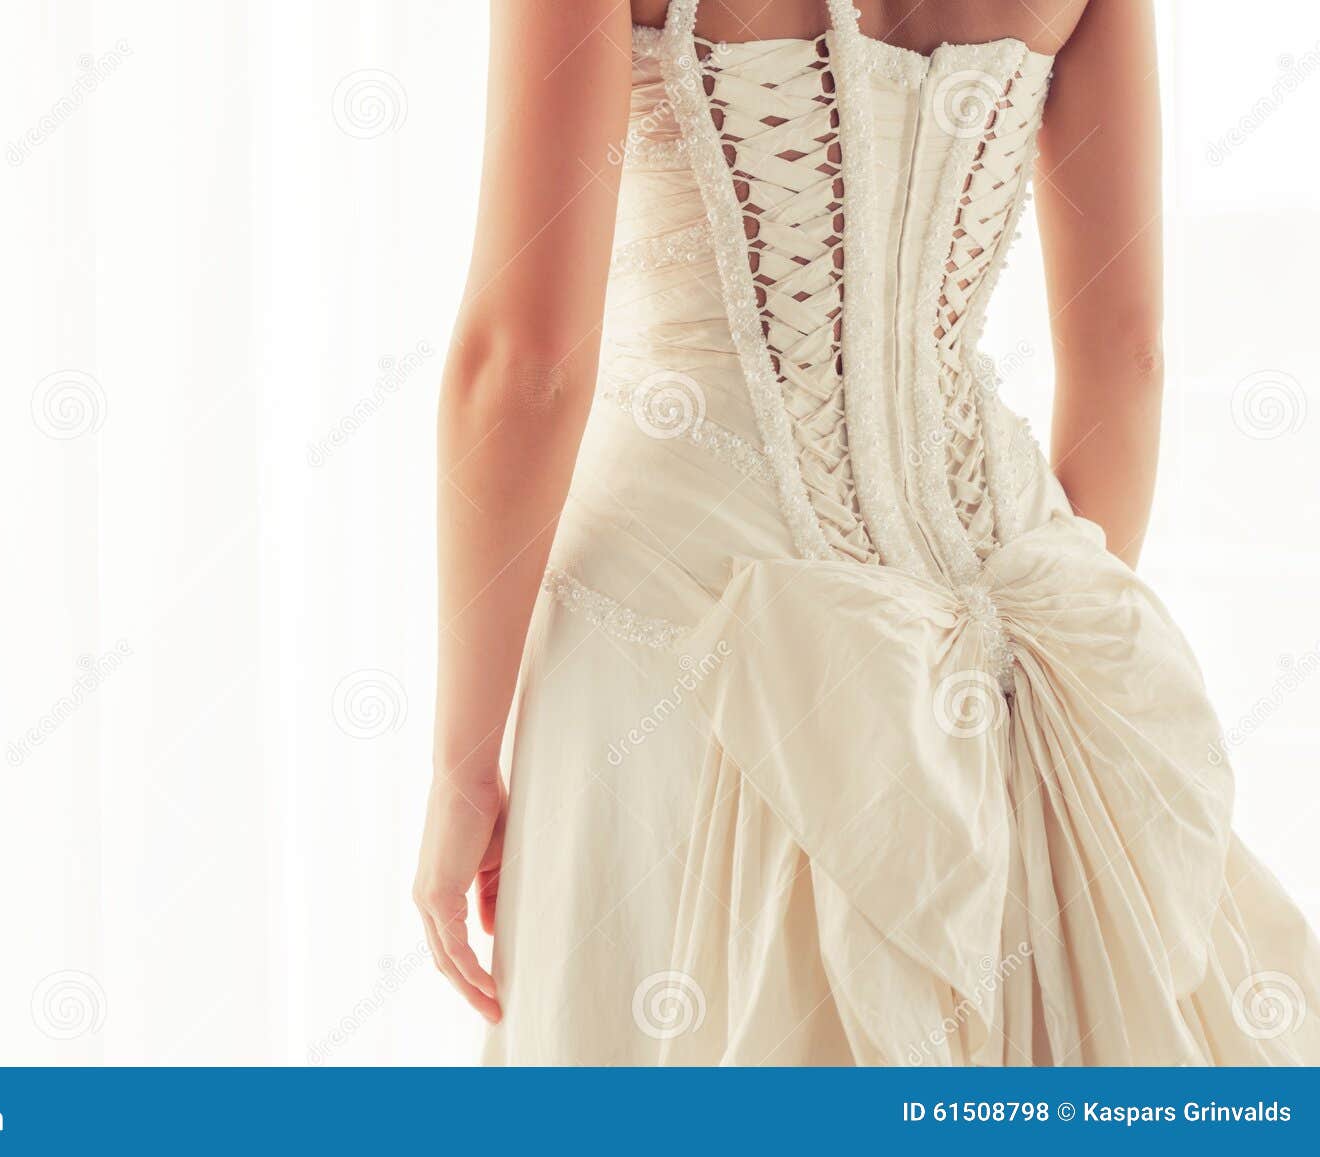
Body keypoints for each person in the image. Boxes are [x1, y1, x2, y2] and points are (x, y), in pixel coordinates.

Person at [414, 0, 1320, 1064]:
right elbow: (1128, 356)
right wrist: (1040, 704)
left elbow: (523, 365)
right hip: (1011, 622)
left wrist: (461, 768)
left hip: (675, 638)